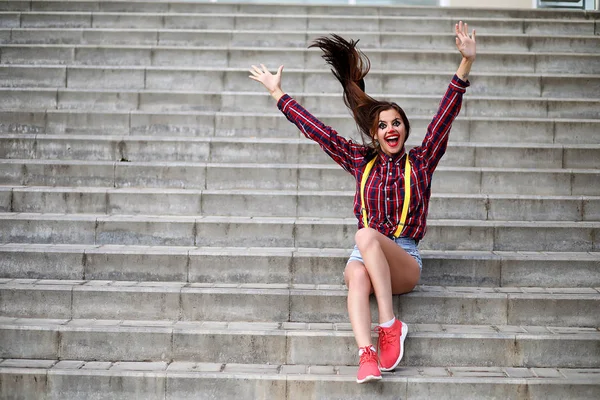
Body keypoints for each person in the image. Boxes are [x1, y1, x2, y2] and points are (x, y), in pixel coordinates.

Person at [250, 21, 476, 384]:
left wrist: (465, 64)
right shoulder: (360, 160)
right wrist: (279, 94)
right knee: (356, 273)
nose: (391, 129)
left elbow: (444, 116)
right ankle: (366, 354)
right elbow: (318, 131)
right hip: (364, 256)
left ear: (405, 130)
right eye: (384, 124)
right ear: (374, 132)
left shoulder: (421, 160)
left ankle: (389, 325)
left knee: (365, 236)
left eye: (398, 123)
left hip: (403, 256)